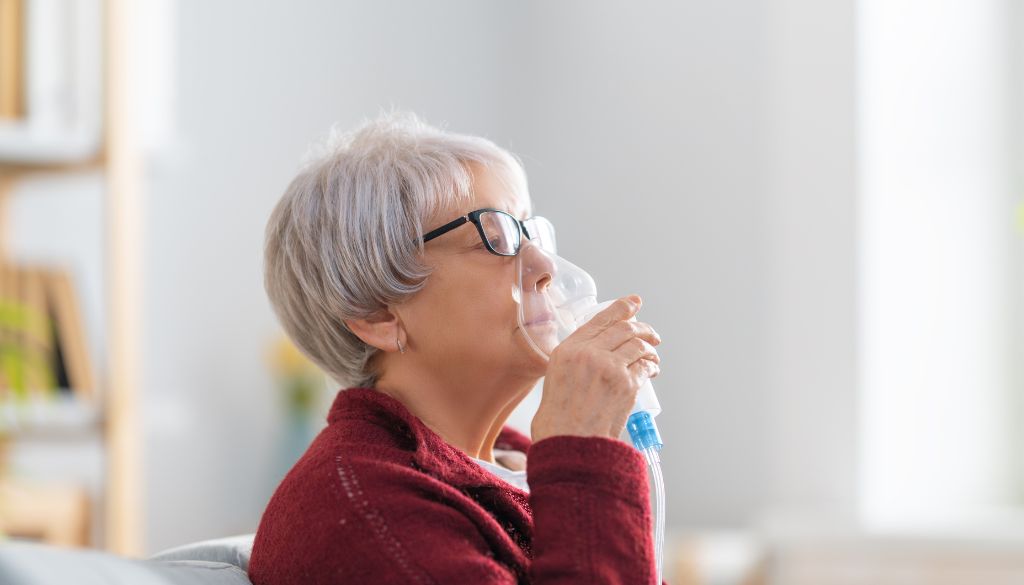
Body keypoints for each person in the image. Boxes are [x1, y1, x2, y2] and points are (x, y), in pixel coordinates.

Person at [249, 111, 663, 584]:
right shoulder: (371, 511)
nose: (545, 265)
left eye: (530, 231)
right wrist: (582, 452)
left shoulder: (514, 463)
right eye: (497, 237)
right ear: (378, 315)